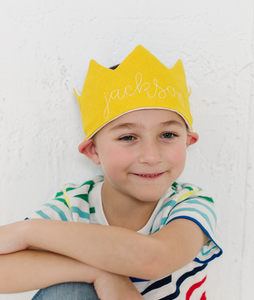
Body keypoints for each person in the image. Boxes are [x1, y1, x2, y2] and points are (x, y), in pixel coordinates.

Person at [0, 45, 222, 300]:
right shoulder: (75, 205)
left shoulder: (189, 203)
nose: (151, 156)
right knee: (69, 290)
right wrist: (99, 273)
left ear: (187, 141)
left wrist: (28, 232)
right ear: (93, 150)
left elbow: (154, 259)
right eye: (128, 137)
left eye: (168, 135)